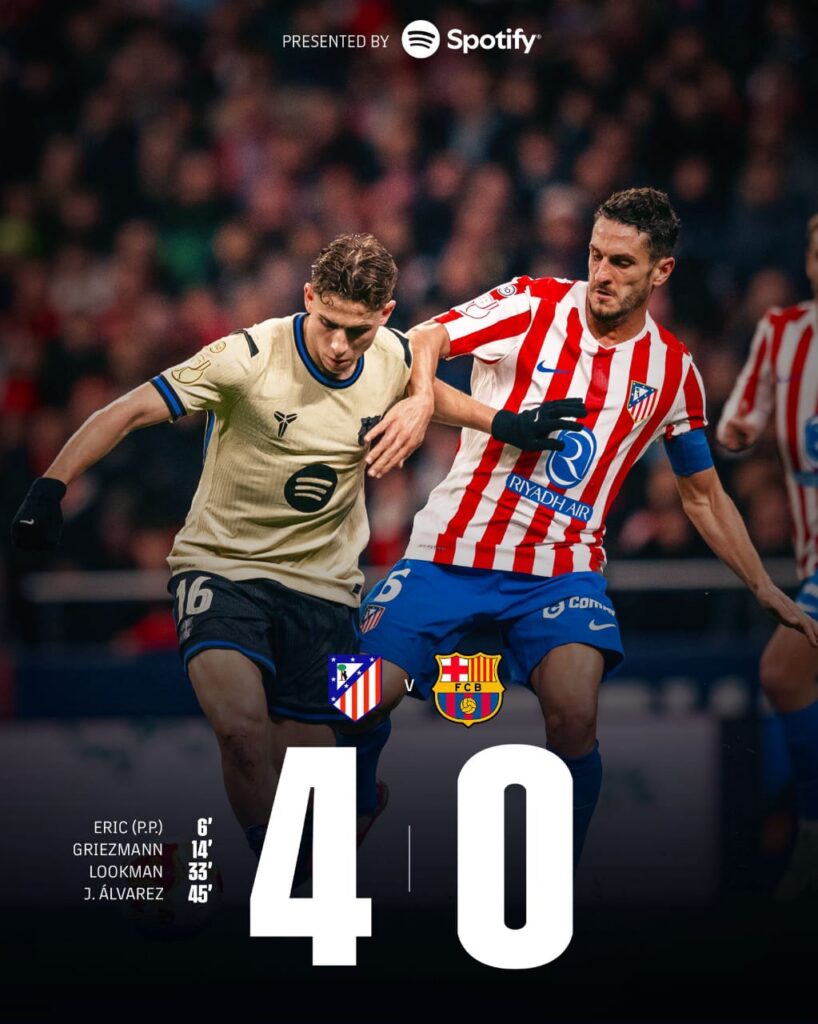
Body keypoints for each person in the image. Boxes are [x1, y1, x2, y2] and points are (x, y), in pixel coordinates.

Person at [10, 232, 579, 875]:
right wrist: (50, 486)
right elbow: (129, 409)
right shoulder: (247, 357)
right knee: (241, 731)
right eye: (328, 323)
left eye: (357, 332)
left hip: (323, 589)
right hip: (222, 570)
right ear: (309, 297)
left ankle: (319, 850)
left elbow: (423, 392)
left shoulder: (391, 355)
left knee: (311, 779)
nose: (339, 346)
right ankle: (283, 881)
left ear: (385, 316)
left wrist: (504, 424)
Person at [359, 188, 818, 866]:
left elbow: (703, 496)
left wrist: (763, 587)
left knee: (574, 714)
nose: (601, 273)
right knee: (354, 696)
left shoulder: (673, 372)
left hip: (560, 571)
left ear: (661, 271)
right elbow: (423, 338)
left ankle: (556, 881)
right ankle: (359, 798)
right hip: (448, 550)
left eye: (622, 263)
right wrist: (425, 395)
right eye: (596, 255)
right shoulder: (532, 302)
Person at [717, 212, 818, 898]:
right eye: (815, 248)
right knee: (786, 676)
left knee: (783, 669)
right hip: (810, 558)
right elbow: (739, 423)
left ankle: (811, 832)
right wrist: (734, 433)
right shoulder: (783, 332)